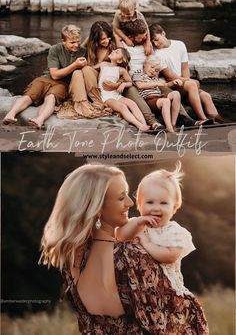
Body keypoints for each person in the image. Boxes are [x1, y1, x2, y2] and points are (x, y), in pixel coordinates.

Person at [39, 163, 209, 334]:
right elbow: (157, 323)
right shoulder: (131, 256)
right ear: (97, 207)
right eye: (121, 197)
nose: (130, 203)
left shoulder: (72, 257)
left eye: (127, 195)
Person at [116, 163, 209, 334]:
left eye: (164, 203)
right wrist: (137, 222)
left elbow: (170, 255)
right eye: (150, 202)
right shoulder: (139, 225)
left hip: (168, 294)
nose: (156, 207)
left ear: (174, 207)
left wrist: (147, 244)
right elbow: (120, 236)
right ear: (139, 204)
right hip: (142, 297)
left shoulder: (174, 231)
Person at [121, 19, 212, 127]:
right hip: (135, 79)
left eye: (146, 35)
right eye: (143, 35)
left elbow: (146, 30)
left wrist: (147, 39)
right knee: (136, 92)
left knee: (172, 92)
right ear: (131, 37)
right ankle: (153, 122)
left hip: (150, 77)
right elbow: (116, 30)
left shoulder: (147, 45)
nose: (146, 37)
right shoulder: (123, 46)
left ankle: (188, 119)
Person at [3, 25, 89, 128]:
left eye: (78, 41)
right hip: (46, 78)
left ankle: (40, 119)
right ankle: (11, 114)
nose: (76, 45)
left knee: (51, 97)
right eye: (72, 42)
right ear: (63, 41)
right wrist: (75, 65)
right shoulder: (54, 49)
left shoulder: (83, 51)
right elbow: (55, 75)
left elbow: (91, 38)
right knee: (31, 94)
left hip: (63, 84)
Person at [149, 23, 224, 124]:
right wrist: (189, 83)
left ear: (163, 33)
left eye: (157, 39)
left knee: (206, 96)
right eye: (153, 42)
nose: (156, 44)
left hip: (182, 83)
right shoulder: (157, 53)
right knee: (192, 84)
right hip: (172, 84)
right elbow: (170, 76)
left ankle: (221, 122)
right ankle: (203, 119)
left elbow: (185, 68)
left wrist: (187, 82)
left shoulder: (179, 45)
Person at [95, 48, 150, 131]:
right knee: (122, 107)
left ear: (120, 60)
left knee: (132, 103)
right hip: (106, 96)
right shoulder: (103, 64)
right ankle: (139, 125)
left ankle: (144, 124)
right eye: (114, 50)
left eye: (116, 52)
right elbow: (90, 69)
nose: (113, 51)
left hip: (116, 95)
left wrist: (123, 84)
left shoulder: (121, 70)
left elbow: (130, 82)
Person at [133, 56, 181, 132]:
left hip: (159, 98)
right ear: (145, 64)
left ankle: (173, 123)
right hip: (149, 99)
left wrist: (173, 82)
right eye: (152, 67)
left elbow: (165, 85)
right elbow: (140, 85)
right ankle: (169, 128)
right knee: (165, 101)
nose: (153, 71)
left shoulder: (154, 78)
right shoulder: (139, 73)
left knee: (176, 94)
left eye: (156, 70)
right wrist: (156, 83)